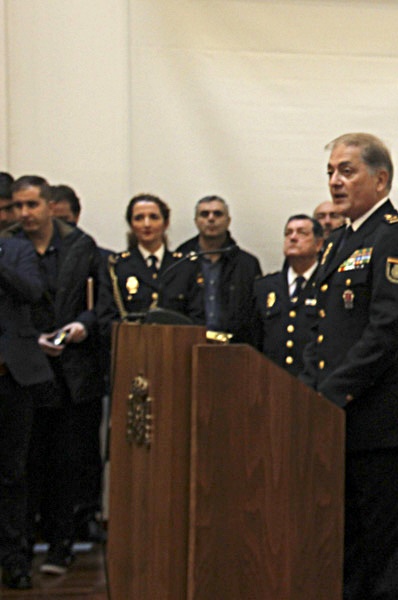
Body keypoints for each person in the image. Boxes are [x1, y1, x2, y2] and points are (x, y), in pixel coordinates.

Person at [300, 132, 398, 600]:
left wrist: (332, 391)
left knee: (389, 560)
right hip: (346, 423)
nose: (336, 182)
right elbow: (325, 329)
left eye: (347, 171)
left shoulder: (397, 237)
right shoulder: (340, 241)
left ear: (381, 180)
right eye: (331, 172)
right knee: (350, 553)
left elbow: (387, 331)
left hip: (387, 426)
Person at [2, 175, 112, 576]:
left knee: (69, 459)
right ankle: (22, 545)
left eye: (32, 205)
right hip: (23, 366)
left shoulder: (80, 246)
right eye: (17, 206)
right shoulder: (9, 245)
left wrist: (81, 325)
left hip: (71, 367)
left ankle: (62, 544)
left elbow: (98, 301)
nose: (24, 214)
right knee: (24, 462)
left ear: (50, 205)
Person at [0, 235, 54, 590]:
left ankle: (15, 560)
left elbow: (32, 291)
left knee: (11, 473)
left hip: (10, 378)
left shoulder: (17, 250)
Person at [175, 195, 262, 345]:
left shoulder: (247, 264)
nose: (211, 219)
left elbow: (255, 316)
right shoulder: (180, 261)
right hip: (188, 345)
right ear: (196, 221)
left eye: (217, 214)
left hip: (235, 348)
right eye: (204, 214)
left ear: (228, 221)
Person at [105, 194, 203, 322]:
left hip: (176, 340)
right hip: (133, 340)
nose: (147, 224)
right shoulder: (118, 267)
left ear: (165, 223)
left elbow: (198, 318)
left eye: (154, 217)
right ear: (131, 225)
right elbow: (107, 318)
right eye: (139, 218)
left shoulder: (185, 265)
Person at [253, 214, 322, 375]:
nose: (293, 237)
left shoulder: (327, 284)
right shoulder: (264, 286)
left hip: (313, 382)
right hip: (271, 379)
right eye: (288, 233)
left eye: (301, 233)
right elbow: (254, 338)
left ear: (318, 244)